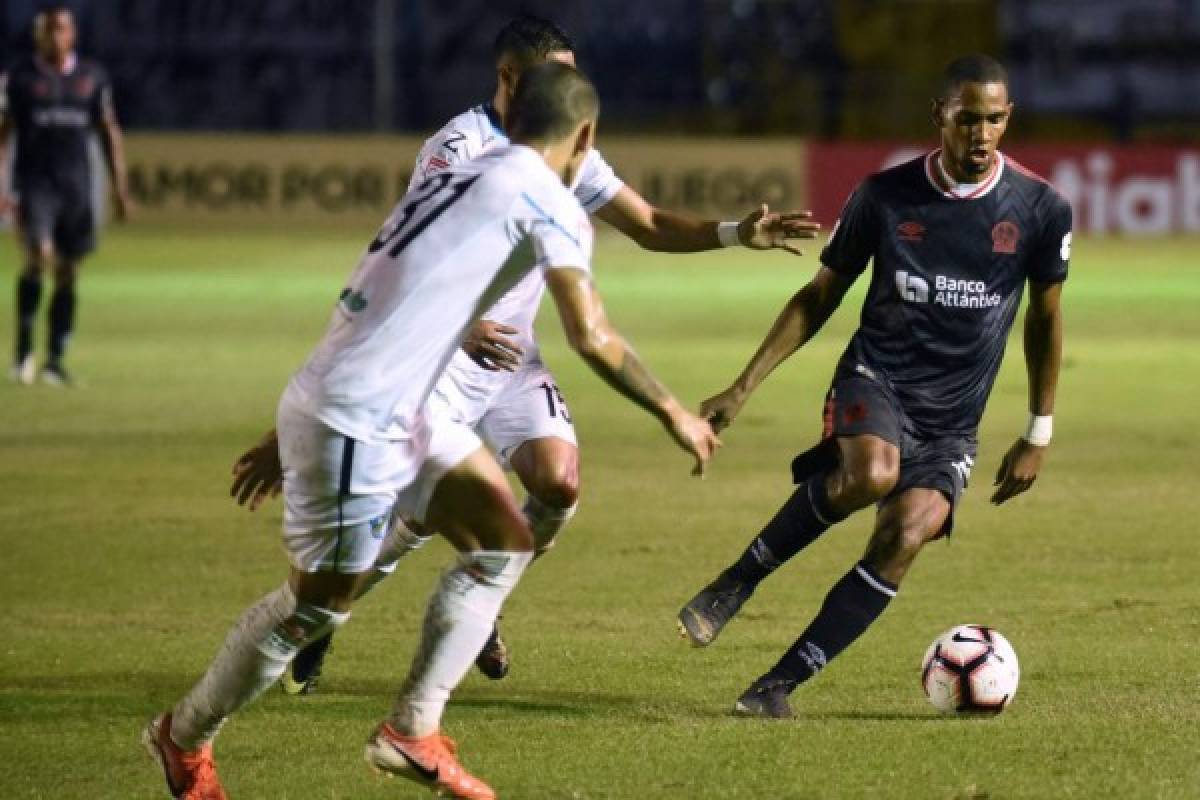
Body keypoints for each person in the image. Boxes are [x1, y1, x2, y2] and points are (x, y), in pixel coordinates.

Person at [142, 63, 718, 800]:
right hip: (361, 418)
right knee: (312, 608)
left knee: (504, 539)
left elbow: (377, 297)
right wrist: (674, 412)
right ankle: (182, 737)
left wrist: (286, 422)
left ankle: (411, 729)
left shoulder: (453, 181)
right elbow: (593, 335)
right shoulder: (547, 201)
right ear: (586, 136)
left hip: (379, 403)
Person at [230, 13, 818, 694]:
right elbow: (407, 263)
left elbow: (651, 225)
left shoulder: (568, 147)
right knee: (374, 541)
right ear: (510, 78)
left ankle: (480, 600)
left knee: (558, 482)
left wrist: (736, 233)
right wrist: (462, 322)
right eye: (555, 77)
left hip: (513, 363)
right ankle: (327, 624)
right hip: (441, 361)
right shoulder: (457, 147)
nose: (567, 90)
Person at [677, 54, 1071, 719]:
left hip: (953, 421)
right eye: (967, 118)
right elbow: (819, 296)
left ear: (1009, 120)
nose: (980, 134)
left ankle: (775, 687)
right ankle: (735, 583)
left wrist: (1038, 431)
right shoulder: (885, 197)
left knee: (908, 533)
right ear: (939, 117)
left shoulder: (1040, 208)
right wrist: (742, 387)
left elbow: (1046, 317)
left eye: (994, 120)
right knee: (870, 474)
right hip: (877, 378)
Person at [0, 5, 130, 385]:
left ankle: (55, 359)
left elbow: (109, 131)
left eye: (59, 30)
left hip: (77, 187)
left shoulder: (92, 78)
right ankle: (23, 353)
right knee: (38, 256)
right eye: (46, 31)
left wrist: (119, 187)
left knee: (69, 272)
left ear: (71, 35)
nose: (52, 37)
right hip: (35, 185)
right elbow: (3, 136)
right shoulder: (20, 79)